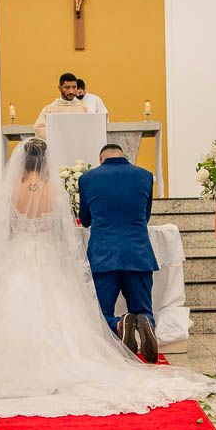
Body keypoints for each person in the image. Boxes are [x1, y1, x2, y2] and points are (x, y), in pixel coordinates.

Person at [0, 139, 216, 418]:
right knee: (63, 313)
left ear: (21, 161)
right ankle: (126, 327)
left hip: (20, 258)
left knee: (10, 312)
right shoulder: (55, 189)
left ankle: (19, 368)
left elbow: (6, 229)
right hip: (53, 257)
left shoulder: (13, 188)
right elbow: (65, 229)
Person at [78, 143, 159, 363]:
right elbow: (146, 214)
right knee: (143, 307)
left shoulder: (87, 179)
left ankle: (119, 323)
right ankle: (146, 323)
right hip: (138, 252)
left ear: (101, 160)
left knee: (102, 312)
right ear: (125, 156)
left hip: (103, 255)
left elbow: (85, 220)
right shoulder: (144, 175)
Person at [33, 72, 88, 140]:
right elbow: (39, 130)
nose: (71, 91)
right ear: (59, 88)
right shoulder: (49, 109)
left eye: (74, 87)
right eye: (67, 88)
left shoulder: (83, 109)